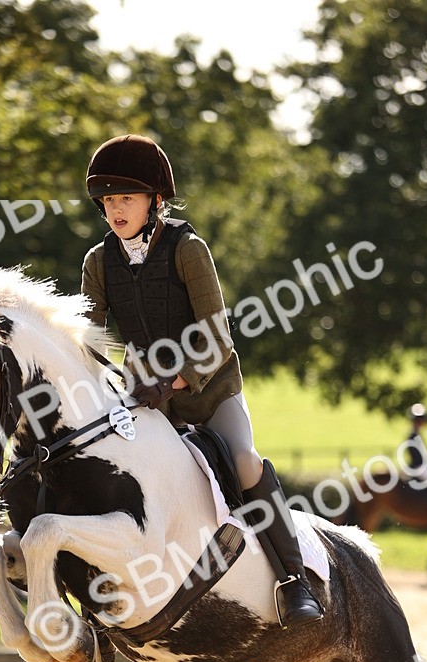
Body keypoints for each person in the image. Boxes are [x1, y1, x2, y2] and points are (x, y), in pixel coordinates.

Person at [80, 133, 321, 627]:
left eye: (127, 198)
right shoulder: (97, 262)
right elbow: (90, 336)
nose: (116, 209)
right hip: (144, 399)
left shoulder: (188, 249)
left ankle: (295, 581)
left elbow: (217, 336)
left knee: (244, 463)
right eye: (109, 200)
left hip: (209, 391)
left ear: (155, 200)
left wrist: (172, 383)